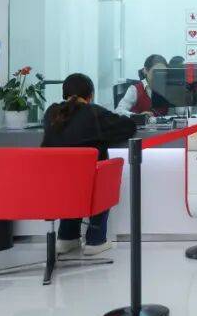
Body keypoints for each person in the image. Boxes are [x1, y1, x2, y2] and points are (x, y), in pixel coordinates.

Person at [41, 73, 137, 256]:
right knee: (99, 177)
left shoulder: (51, 114)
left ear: (64, 94)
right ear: (91, 95)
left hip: (55, 184)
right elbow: (127, 127)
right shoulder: (94, 113)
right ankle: (95, 239)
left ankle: (67, 238)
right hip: (90, 184)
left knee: (71, 182)